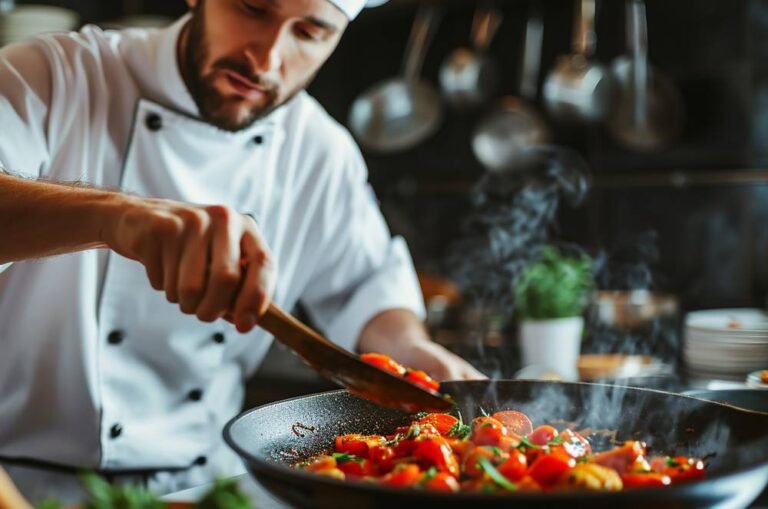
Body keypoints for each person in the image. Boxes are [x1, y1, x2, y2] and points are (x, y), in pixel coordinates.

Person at [0, 0, 484, 503]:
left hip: (211, 488)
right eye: (252, 8)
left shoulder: (319, 150)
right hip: (18, 486)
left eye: (310, 32)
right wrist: (115, 217)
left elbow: (365, 288)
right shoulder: (50, 76)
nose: (266, 58)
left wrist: (412, 351)